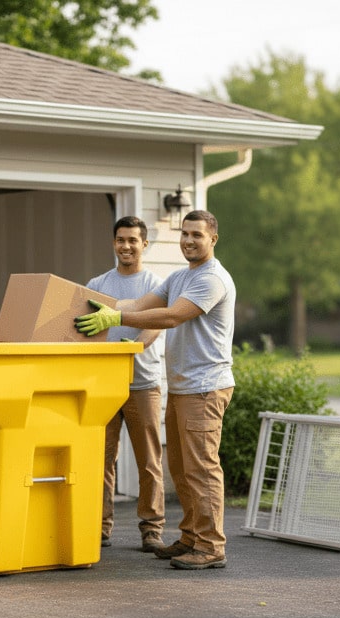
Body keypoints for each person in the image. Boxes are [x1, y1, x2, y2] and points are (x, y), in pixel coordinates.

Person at [75, 209, 235, 570]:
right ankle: (191, 537)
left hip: (205, 387)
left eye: (197, 234)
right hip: (182, 387)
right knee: (180, 468)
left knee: (202, 468)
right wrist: (98, 308)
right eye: (185, 234)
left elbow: (171, 316)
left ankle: (211, 546)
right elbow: (137, 304)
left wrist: (117, 318)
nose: (189, 240)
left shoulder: (211, 279)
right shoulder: (180, 276)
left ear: (212, 239)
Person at [86, 216, 166, 553]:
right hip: (102, 385)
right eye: (121, 240)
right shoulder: (98, 284)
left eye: (133, 240)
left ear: (144, 244)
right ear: (114, 243)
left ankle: (152, 529)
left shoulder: (156, 284)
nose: (127, 246)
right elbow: (83, 329)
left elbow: (156, 325)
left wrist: (135, 346)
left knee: (148, 459)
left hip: (143, 383)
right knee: (100, 459)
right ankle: (99, 526)